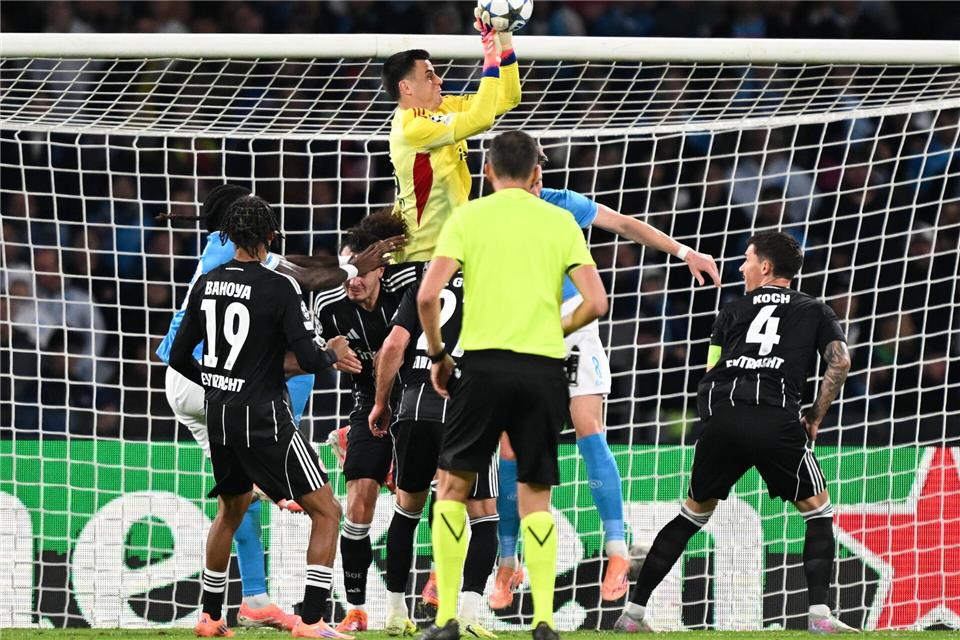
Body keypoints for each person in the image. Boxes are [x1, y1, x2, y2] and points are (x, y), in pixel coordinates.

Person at [156, 184, 400, 630]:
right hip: (261, 414)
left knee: (232, 507)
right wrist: (330, 351)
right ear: (270, 235)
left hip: (216, 406)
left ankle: (213, 614)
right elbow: (307, 344)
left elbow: (177, 353)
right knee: (328, 511)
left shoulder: (211, 275)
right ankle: (311, 619)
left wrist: (215, 382)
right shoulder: (278, 284)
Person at [491, 155, 723, 607]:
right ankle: (507, 561)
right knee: (510, 448)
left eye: (537, 173)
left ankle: (617, 550)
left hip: (572, 326)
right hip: (520, 333)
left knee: (589, 428)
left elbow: (625, 224)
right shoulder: (490, 215)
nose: (535, 180)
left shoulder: (563, 203)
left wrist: (685, 252)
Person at [416, 130, 608, 640]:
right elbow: (597, 302)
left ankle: (446, 618)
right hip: (543, 372)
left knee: (452, 488)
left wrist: (438, 355)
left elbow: (428, 296)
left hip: (482, 368)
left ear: (487, 171)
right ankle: (543, 621)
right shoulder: (560, 221)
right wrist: (557, 328)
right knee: (534, 496)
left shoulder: (468, 217)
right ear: (537, 173)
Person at [614, 231, 856, 634]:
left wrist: (714, 422)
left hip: (724, 418)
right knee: (818, 514)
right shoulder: (815, 309)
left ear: (766, 267)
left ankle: (633, 615)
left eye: (747, 259)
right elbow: (841, 361)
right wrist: (814, 415)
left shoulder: (732, 310)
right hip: (775, 418)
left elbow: (710, 370)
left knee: (690, 516)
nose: (742, 267)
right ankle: (819, 615)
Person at [371, 270, 500, 638]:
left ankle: (396, 612)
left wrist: (381, 403)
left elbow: (393, 346)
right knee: (483, 515)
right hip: (465, 409)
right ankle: (468, 615)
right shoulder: (492, 283)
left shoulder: (425, 283)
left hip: (414, 409)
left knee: (406, 510)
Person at [309, 210, 412, 633]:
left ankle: (416, 600)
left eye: (360, 271)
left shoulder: (406, 287)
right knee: (358, 504)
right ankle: (356, 609)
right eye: (346, 269)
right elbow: (308, 349)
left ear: (380, 270)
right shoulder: (328, 305)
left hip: (417, 402)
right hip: (367, 403)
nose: (352, 280)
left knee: (420, 499)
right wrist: (328, 354)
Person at [382, 16, 520, 263]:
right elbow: (481, 119)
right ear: (406, 88)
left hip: (454, 248)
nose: (439, 80)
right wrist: (490, 55)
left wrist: (505, 45)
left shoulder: (444, 106)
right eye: (429, 76)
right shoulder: (410, 126)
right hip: (420, 257)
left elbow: (507, 99)